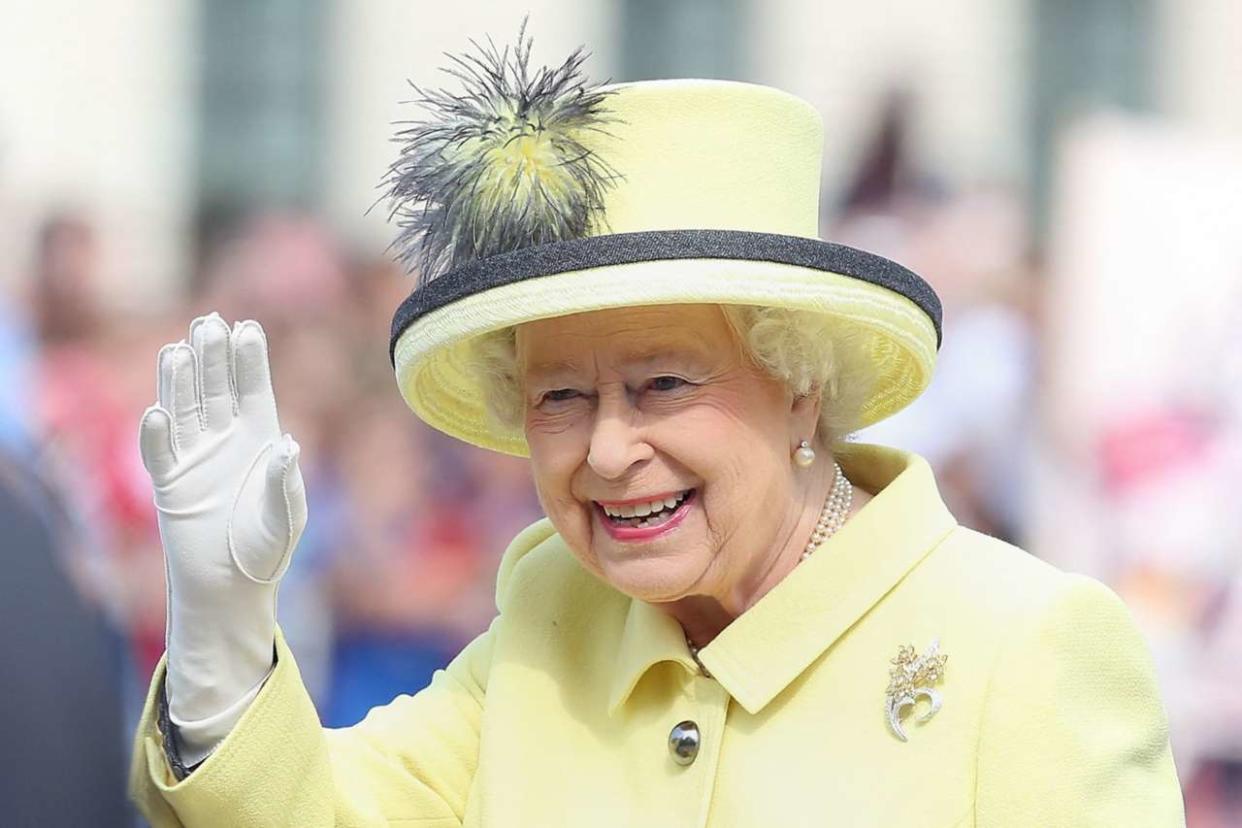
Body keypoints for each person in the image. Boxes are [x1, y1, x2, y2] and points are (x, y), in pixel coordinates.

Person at [127, 30, 1184, 826]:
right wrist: (220, 627)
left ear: (800, 386)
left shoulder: (1027, 647)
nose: (606, 451)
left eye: (666, 383)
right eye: (560, 397)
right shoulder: (553, 625)